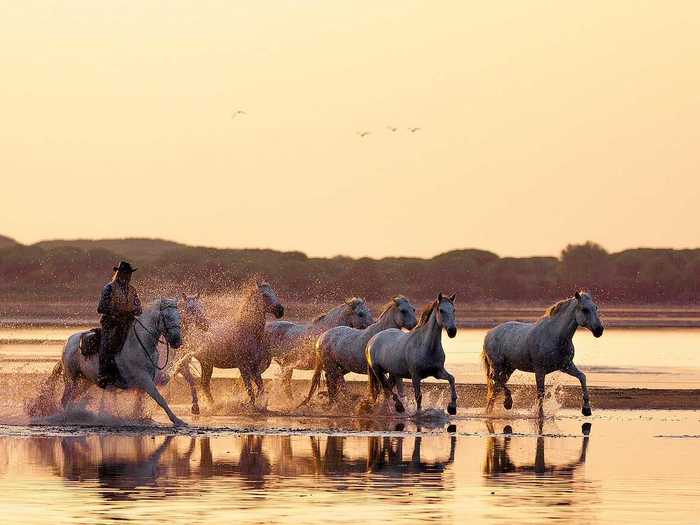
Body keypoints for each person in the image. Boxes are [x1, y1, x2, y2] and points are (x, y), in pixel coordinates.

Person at [96, 261, 142, 388]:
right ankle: (103, 374)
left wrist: (136, 311)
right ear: (119, 273)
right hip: (111, 323)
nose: (128, 276)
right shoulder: (109, 288)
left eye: (129, 274)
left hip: (128, 322)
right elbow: (101, 307)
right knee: (109, 344)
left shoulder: (132, 290)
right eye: (126, 273)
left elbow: (139, 308)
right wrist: (116, 313)